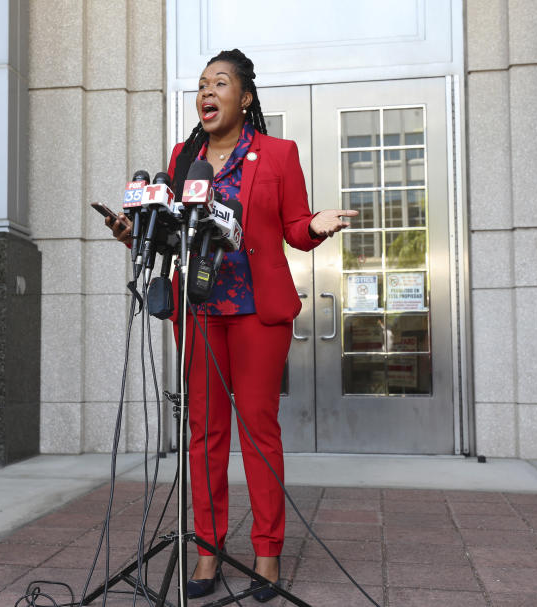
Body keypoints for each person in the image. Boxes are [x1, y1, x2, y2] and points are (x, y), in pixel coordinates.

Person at [108, 49, 355, 601]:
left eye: (219, 83)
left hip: (256, 314)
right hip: (198, 311)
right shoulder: (183, 156)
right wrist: (133, 231)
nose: (206, 92)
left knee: (258, 431)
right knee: (204, 434)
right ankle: (207, 551)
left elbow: (293, 226)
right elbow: (171, 229)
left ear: (244, 98)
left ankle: (267, 554)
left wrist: (315, 224)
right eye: (201, 85)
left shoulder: (278, 153)